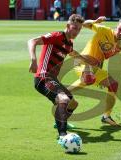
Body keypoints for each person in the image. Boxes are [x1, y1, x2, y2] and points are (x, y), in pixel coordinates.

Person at [28, 14, 85, 145]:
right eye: (74, 28)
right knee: (63, 99)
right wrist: (33, 59)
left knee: (73, 104)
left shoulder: (69, 43)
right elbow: (32, 41)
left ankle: (60, 121)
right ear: (68, 26)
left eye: (79, 29)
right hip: (43, 77)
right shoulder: (57, 36)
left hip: (53, 79)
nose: (76, 31)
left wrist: (87, 63)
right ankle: (62, 136)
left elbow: (73, 53)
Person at [68, 17, 121, 126]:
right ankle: (63, 93)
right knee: (88, 79)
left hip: (92, 67)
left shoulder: (118, 47)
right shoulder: (104, 30)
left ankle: (106, 116)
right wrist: (94, 21)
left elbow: (101, 57)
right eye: (119, 29)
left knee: (113, 84)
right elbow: (84, 24)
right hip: (82, 63)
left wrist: (100, 76)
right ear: (116, 27)